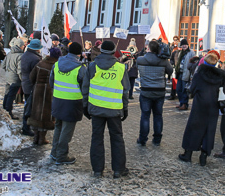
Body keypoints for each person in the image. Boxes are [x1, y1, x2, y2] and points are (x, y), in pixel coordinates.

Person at [81, 40, 130, 178]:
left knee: (97, 138)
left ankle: (97, 170)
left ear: (101, 50)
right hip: (114, 109)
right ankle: (119, 170)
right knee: (117, 138)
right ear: (114, 51)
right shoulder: (121, 68)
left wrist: (85, 106)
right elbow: (125, 91)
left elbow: (85, 88)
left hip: (96, 108)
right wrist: (125, 109)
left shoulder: (92, 66)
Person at [179, 50, 225, 166]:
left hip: (200, 104)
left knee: (193, 128)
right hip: (213, 105)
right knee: (209, 130)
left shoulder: (199, 74)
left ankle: (188, 154)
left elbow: (193, 89)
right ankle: (204, 156)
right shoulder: (220, 76)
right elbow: (223, 91)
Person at [50, 42, 87, 165]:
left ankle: (54, 153)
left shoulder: (57, 64)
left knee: (58, 127)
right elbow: (85, 88)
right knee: (67, 130)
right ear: (79, 53)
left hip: (57, 100)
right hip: (72, 103)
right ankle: (61, 156)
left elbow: (51, 82)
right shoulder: (80, 68)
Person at [136, 40, 173, 146]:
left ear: (148, 48)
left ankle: (142, 139)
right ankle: (157, 139)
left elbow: (138, 68)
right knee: (158, 115)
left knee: (145, 116)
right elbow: (170, 71)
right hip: (159, 91)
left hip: (146, 91)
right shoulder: (163, 61)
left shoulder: (140, 60)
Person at [28, 47, 60, 145]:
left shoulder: (40, 63)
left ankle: (36, 137)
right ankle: (42, 138)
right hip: (50, 91)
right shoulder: (56, 66)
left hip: (38, 90)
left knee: (36, 112)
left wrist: (36, 84)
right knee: (46, 115)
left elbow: (31, 77)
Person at [20, 39, 43, 136]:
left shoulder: (25, 55)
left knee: (27, 105)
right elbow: (36, 73)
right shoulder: (35, 59)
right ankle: (26, 127)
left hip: (25, 83)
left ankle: (27, 126)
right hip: (31, 85)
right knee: (29, 108)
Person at [2, 37, 25, 120]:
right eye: (23, 46)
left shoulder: (9, 53)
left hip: (8, 76)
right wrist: (22, 79)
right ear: (20, 46)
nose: (24, 47)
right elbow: (20, 70)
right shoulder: (20, 56)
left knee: (7, 93)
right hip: (15, 79)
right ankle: (8, 111)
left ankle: (4, 108)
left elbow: (3, 65)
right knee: (11, 96)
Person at [175, 39, 195, 110]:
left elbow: (194, 64)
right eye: (182, 45)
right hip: (180, 73)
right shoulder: (180, 52)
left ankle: (184, 104)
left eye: (185, 45)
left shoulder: (191, 53)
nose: (184, 46)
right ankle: (181, 103)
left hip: (186, 73)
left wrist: (191, 75)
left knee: (184, 90)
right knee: (178, 89)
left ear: (187, 45)